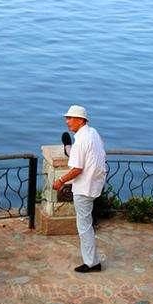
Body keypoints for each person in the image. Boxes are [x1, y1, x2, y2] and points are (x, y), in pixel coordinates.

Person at [52, 105, 107, 273]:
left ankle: (91, 262)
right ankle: (92, 260)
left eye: (71, 118)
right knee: (87, 222)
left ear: (81, 120)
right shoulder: (93, 133)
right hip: (96, 183)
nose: (67, 121)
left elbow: (77, 169)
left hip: (84, 188)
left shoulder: (81, 141)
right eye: (67, 118)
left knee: (84, 226)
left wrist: (60, 181)